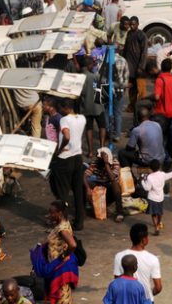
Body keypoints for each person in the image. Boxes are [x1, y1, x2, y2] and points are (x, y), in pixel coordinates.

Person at [51, 97, 86, 230]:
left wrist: (59, 149)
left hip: (65, 157)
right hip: (77, 157)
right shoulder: (81, 118)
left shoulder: (64, 119)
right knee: (78, 191)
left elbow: (66, 136)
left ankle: (63, 223)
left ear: (65, 108)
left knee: (62, 193)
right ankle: (79, 221)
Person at [45, 200, 77, 304]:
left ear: (59, 213)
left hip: (60, 269)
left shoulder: (62, 229)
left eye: (52, 212)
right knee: (65, 299)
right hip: (58, 267)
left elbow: (73, 244)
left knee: (63, 302)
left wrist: (64, 256)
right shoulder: (62, 224)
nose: (50, 215)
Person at [84, 147, 124, 223]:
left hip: (109, 185)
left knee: (115, 186)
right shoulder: (95, 163)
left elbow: (112, 178)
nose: (98, 159)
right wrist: (88, 188)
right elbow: (85, 176)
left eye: (100, 158)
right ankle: (93, 207)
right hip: (99, 184)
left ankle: (119, 212)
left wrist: (106, 164)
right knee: (85, 184)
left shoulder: (115, 163)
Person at [78, 56, 106, 156]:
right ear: (89, 65)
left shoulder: (78, 77)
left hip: (85, 107)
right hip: (97, 106)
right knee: (102, 126)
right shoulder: (94, 76)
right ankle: (102, 149)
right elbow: (105, 82)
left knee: (89, 128)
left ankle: (90, 151)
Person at [141, 160, 172, 235]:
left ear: (150, 168)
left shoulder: (149, 177)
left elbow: (147, 188)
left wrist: (142, 181)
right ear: (159, 167)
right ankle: (158, 223)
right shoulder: (162, 174)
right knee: (159, 213)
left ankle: (156, 227)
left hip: (152, 198)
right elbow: (170, 174)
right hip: (160, 198)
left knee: (153, 214)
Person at [99, 51, 129, 143]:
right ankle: (117, 135)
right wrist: (123, 88)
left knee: (106, 111)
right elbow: (126, 77)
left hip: (106, 89)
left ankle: (108, 132)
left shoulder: (104, 59)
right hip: (119, 90)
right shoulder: (123, 60)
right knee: (118, 113)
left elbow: (100, 75)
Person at [124, 16, 148, 113]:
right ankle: (132, 106)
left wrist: (141, 66)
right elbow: (126, 48)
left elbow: (144, 52)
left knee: (141, 89)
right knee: (132, 89)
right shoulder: (129, 33)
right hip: (130, 66)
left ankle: (142, 108)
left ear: (138, 24)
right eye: (130, 24)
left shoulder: (141, 35)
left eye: (133, 24)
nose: (132, 26)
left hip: (138, 66)